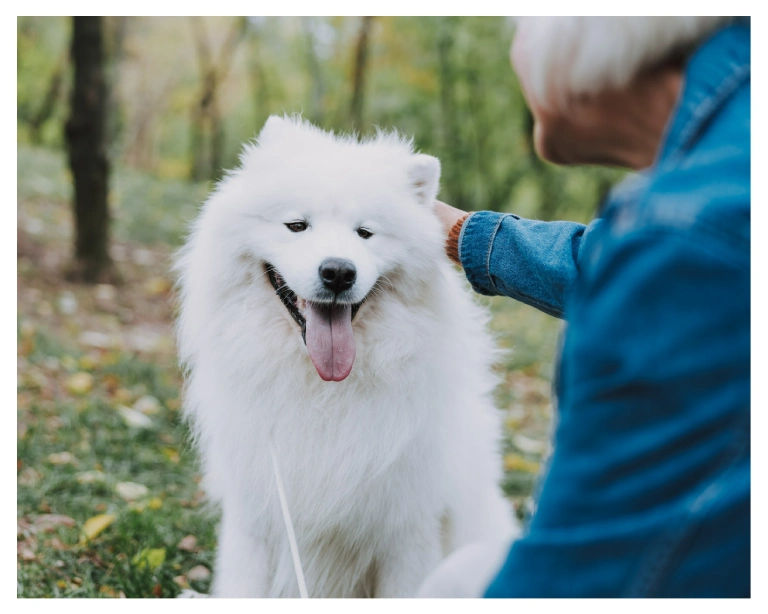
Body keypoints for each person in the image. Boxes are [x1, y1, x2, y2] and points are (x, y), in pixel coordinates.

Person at [420, 17, 750, 597]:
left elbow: (574, 580)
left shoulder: (683, 241)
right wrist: (464, 233)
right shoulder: (727, 163)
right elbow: (609, 259)